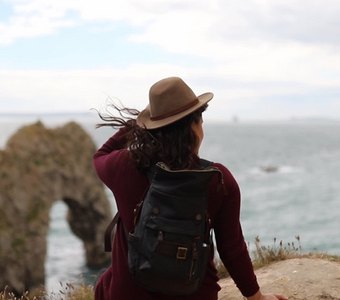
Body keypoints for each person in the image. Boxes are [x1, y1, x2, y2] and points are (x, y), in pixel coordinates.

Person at [93, 77, 288, 300]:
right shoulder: (218, 179)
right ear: (195, 125)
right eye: (201, 122)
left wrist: (138, 123)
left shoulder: (124, 166)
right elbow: (231, 248)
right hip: (196, 294)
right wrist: (257, 297)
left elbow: (100, 155)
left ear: (152, 129)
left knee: (105, 281)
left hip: (129, 293)